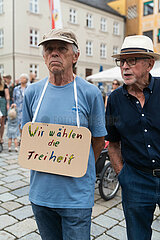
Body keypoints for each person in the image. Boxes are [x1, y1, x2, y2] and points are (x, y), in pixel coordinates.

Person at [22, 28, 107, 240]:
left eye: (62, 48)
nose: (54, 53)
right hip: (41, 195)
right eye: (49, 49)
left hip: (76, 198)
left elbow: (98, 140)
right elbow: (28, 138)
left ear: (75, 55)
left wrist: (78, 163)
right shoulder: (32, 92)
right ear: (43, 56)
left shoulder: (90, 93)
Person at [106, 35, 160, 240]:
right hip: (136, 179)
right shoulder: (114, 99)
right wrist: (124, 176)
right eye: (122, 61)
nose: (125, 67)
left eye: (132, 60)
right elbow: (113, 143)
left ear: (149, 64)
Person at [13, 73, 28, 138]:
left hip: (26, 108)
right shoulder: (16, 88)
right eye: (21, 78)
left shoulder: (29, 87)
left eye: (23, 78)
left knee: (25, 122)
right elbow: (14, 98)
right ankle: (21, 137)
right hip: (18, 108)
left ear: (26, 80)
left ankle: (25, 137)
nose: (21, 79)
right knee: (19, 123)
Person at [0, 74, 10, 147]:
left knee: (2, 122)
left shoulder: (4, 84)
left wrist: (8, 104)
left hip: (2, 101)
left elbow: (7, 95)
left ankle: (1, 137)